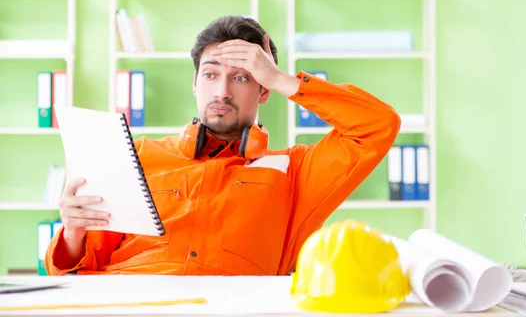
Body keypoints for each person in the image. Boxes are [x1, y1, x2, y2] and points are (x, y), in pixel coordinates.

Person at [45, 15, 401, 276]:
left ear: (264, 90)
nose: (222, 91)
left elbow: (378, 126)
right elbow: (79, 266)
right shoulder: (138, 154)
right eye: (211, 74)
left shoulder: (297, 171)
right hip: (128, 300)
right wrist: (74, 232)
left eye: (242, 77)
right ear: (195, 85)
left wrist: (282, 78)